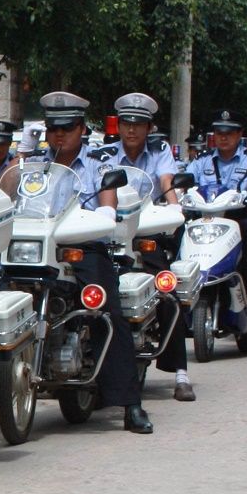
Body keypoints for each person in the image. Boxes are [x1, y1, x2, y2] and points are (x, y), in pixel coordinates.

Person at [39, 90, 153, 434]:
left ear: (81, 129)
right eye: (53, 128)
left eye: (67, 127)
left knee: (108, 312)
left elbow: (108, 200)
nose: (59, 135)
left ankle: (130, 405)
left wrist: (105, 212)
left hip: (84, 248)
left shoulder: (98, 163)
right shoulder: (34, 166)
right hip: (39, 248)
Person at [94, 92, 194, 401]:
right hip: (110, 236)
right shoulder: (105, 155)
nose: (131, 129)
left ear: (149, 128)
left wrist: (175, 206)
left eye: (138, 124)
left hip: (146, 233)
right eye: (126, 123)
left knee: (166, 288)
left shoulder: (159, 152)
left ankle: (180, 373)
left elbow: (166, 182)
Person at [185, 109, 247, 303]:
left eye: (229, 133)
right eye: (219, 133)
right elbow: (186, 179)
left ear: (240, 134)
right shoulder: (202, 159)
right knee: (178, 233)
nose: (224, 137)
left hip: (236, 218)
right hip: (204, 217)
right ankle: (181, 290)